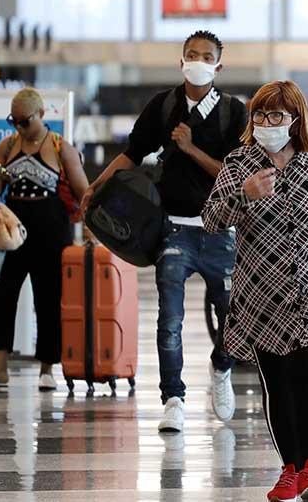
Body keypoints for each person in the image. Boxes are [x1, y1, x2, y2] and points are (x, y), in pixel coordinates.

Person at [82, 30, 248, 432]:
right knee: (168, 318)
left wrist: (190, 149)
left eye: (206, 56)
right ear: (181, 61)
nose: (198, 61)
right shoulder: (164, 105)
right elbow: (131, 154)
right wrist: (95, 187)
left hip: (220, 230)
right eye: (191, 54)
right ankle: (173, 396)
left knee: (232, 315)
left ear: (218, 66)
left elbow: (235, 172)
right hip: (173, 229)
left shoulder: (233, 113)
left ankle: (221, 368)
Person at [202, 80, 308, 502]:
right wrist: (244, 196)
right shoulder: (238, 164)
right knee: (277, 382)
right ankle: (289, 467)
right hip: (261, 296)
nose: (266, 123)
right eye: (260, 115)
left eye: (276, 116)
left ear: (295, 121)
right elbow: (211, 219)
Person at [0, 88, 90, 391]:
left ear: (42, 115)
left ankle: (47, 367)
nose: (19, 127)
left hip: (51, 231)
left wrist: (93, 233)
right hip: (12, 231)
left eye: (24, 121)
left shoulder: (60, 147)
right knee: (1, 296)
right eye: (13, 121)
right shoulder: (8, 145)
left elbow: (84, 194)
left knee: (49, 298)